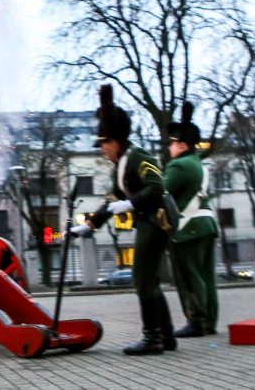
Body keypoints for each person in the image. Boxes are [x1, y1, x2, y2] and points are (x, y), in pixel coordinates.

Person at [70, 84, 177, 355]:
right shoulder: (122, 165)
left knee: (142, 276)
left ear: (115, 141)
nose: (102, 149)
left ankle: (152, 338)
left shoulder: (139, 157)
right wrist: (88, 225)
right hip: (148, 220)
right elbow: (112, 200)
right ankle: (165, 336)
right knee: (150, 280)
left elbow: (156, 187)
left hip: (158, 219)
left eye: (104, 143)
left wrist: (128, 204)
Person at [164, 101, 219, 337]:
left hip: (189, 229)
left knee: (190, 276)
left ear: (183, 145)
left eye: (172, 143)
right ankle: (209, 321)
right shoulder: (200, 165)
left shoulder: (179, 165)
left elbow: (162, 193)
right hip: (206, 224)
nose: (169, 148)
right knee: (207, 276)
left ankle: (196, 320)